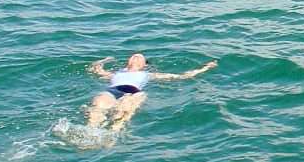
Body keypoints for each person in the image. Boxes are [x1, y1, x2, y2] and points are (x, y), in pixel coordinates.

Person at [85, 53, 217, 131]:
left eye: (140, 57)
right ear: (128, 62)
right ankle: (90, 132)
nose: (136, 57)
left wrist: (205, 68)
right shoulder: (116, 73)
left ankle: (114, 132)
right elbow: (96, 69)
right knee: (99, 104)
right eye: (134, 56)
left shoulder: (148, 74)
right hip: (112, 91)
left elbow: (182, 76)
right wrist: (104, 60)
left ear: (144, 65)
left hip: (133, 93)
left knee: (123, 110)